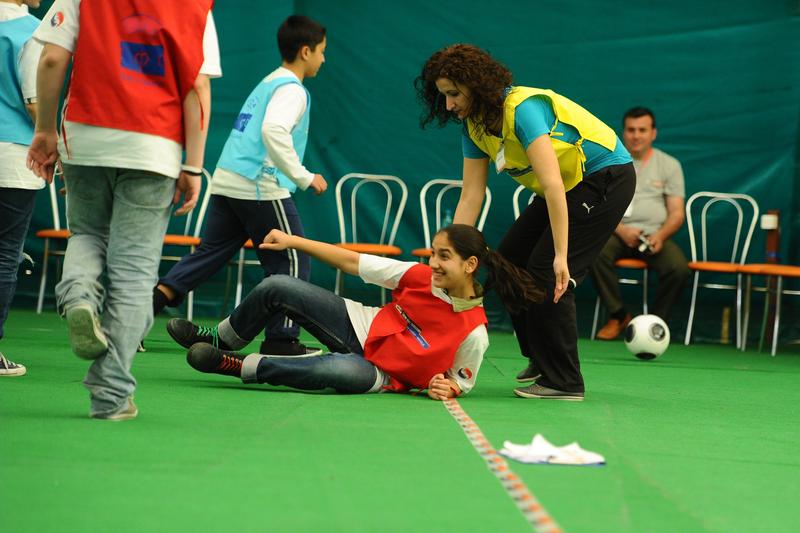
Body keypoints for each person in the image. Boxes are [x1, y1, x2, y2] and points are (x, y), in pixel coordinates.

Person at [26, 0, 221, 419]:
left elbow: (52, 58)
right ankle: (111, 395)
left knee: (87, 234)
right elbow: (197, 88)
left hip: (85, 135)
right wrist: (193, 165)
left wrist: (44, 130)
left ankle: (78, 297)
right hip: (153, 146)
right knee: (133, 272)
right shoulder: (197, 7)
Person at [416, 44, 636, 400]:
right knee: (508, 264)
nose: (449, 105)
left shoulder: (522, 109)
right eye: (443, 96)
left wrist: (562, 256)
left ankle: (565, 381)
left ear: (475, 85)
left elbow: (551, 184)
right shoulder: (472, 126)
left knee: (547, 272)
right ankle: (539, 355)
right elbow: (471, 195)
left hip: (604, 176)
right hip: (567, 185)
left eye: (454, 94)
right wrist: (449, 253)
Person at [167, 224, 540, 399]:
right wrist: (294, 240)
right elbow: (350, 261)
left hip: (380, 372)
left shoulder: (475, 332)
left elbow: (461, 379)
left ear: (471, 264)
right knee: (276, 285)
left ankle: (235, 365)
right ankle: (222, 338)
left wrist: (450, 386)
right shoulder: (417, 275)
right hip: (360, 325)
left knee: (330, 368)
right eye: (433, 253)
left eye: (445, 256)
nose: (435, 263)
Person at [150, 15, 328, 357]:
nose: (323, 59)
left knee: (208, 255)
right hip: (259, 186)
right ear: (306, 52)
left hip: (228, 180)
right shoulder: (292, 90)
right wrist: (305, 176)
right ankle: (282, 340)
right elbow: (273, 131)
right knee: (291, 262)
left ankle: (141, 314)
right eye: (321, 52)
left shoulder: (268, 82)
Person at [591, 107, 689, 339]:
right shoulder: (608, 163)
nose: (636, 135)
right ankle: (619, 315)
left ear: (653, 133)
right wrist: (622, 230)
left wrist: (661, 236)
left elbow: (676, 213)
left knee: (678, 269)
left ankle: (654, 325)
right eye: (631, 130)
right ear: (623, 133)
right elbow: (598, 206)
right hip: (615, 232)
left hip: (654, 236)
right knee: (593, 254)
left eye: (642, 130)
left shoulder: (670, 165)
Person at [0, 0, 43, 377]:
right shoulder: (30, 29)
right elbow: (35, 101)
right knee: (4, 255)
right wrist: (54, 146)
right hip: (13, 155)